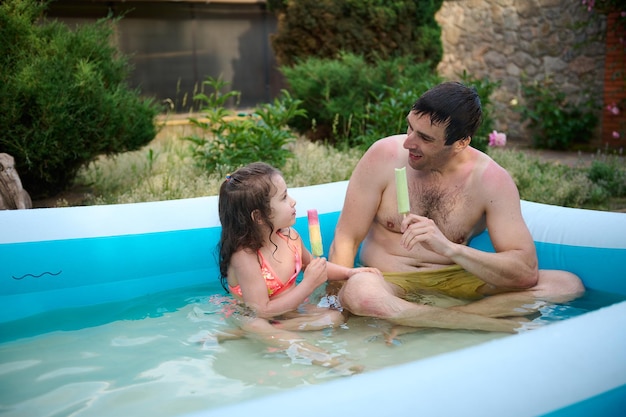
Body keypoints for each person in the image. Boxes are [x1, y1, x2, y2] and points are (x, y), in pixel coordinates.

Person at [329, 81, 585, 338]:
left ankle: (418, 319)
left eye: (425, 138)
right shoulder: (383, 156)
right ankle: (477, 320)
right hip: (387, 280)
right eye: (410, 127)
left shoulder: (490, 181)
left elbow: (525, 272)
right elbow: (346, 238)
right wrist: (334, 305)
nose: (408, 142)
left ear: (461, 143)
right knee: (359, 293)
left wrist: (449, 247)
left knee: (565, 284)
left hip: (454, 281)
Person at [215, 162, 381, 372]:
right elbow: (261, 310)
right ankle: (331, 361)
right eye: (284, 197)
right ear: (258, 217)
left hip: (289, 312)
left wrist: (350, 272)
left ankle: (253, 334)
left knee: (334, 317)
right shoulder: (245, 258)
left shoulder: (291, 237)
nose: (293, 202)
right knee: (259, 327)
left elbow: (316, 266)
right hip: (253, 315)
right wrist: (308, 284)